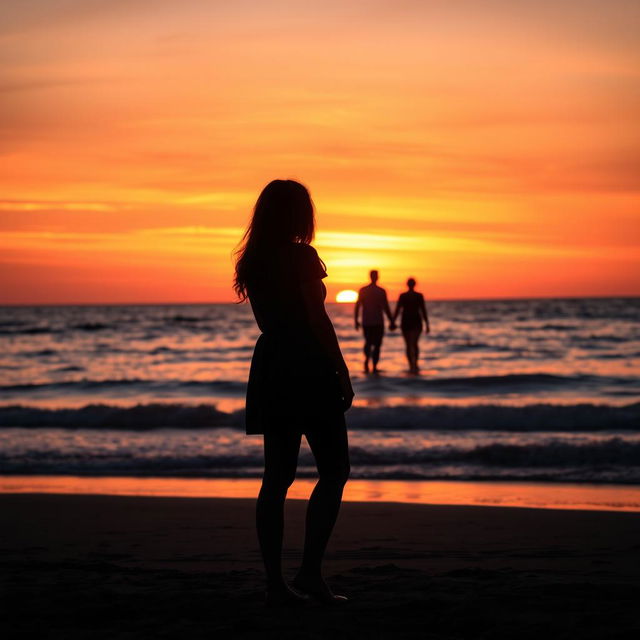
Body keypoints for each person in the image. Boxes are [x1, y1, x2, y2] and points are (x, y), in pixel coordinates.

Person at [234, 179, 353, 607]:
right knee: (334, 469)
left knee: (277, 477)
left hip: (271, 363)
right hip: (306, 362)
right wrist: (341, 369)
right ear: (299, 214)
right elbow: (317, 317)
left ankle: (275, 583)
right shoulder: (301, 257)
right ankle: (309, 572)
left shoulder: (255, 260)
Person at [354, 270, 395, 373]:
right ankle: (373, 366)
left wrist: (356, 320)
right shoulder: (380, 291)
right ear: (376, 277)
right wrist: (391, 321)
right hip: (375, 321)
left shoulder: (364, 290)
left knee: (369, 343)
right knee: (376, 344)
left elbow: (358, 305)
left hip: (369, 321)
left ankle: (369, 363)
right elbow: (386, 307)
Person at [393, 278, 430, 374]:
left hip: (411, 322)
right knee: (413, 344)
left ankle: (413, 364)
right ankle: (414, 364)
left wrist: (393, 321)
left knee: (410, 344)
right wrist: (427, 324)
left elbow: (398, 309)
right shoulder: (414, 296)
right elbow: (423, 310)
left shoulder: (409, 296)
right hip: (410, 322)